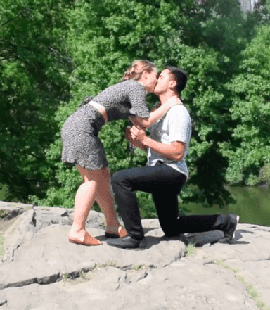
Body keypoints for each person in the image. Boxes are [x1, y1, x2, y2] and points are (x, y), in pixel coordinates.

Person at [107, 66, 238, 249]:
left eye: (161, 76)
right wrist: (138, 141)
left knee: (120, 179)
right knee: (170, 227)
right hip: (161, 169)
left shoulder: (178, 112)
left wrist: (146, 139)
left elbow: (177, 152)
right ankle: (225, 222)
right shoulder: (160, 110)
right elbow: (155, 149)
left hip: (172, 172)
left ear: (172, 83)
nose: (156, 79)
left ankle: (135, 237)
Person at [61, 60, 181, 246]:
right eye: (156, 77)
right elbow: (146, 122)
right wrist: (170, 104)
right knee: (91, 179)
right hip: (82, 128)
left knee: (102, 174)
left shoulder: (130, 89)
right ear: (146, 74)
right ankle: (77, 230)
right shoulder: (136, 88)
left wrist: (138, 135)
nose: (156, 81)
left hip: (78, 125)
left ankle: (113, 226)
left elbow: (139, 121)